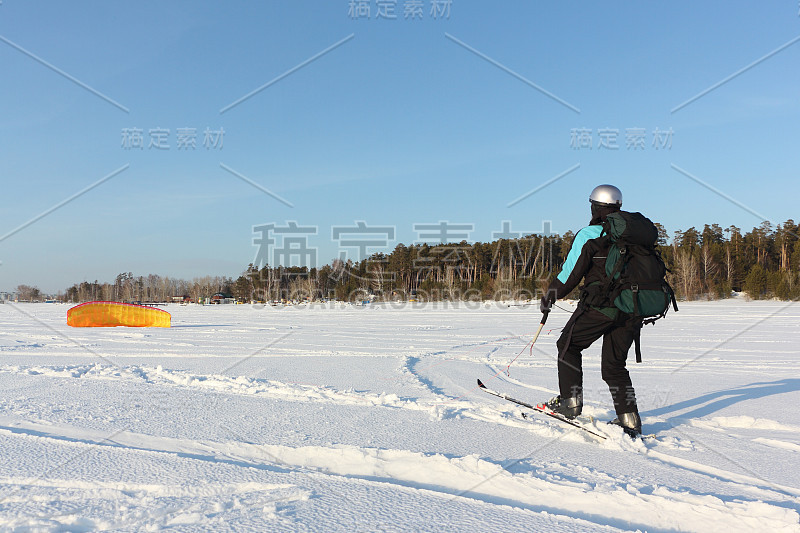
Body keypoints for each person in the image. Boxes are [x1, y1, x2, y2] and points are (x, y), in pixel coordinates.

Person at [540, 184, 642, 437]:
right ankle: (629, 420)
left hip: (603, 306)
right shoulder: (634, 237)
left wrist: (550, 295)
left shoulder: (590, 234)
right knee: (614, 365)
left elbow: (570, 273)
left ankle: (570, 403)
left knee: (568, 345)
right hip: (633, 308)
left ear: (595, 207)